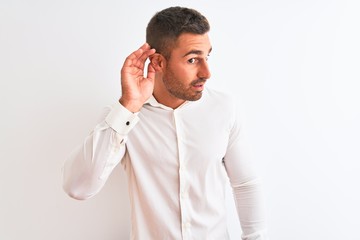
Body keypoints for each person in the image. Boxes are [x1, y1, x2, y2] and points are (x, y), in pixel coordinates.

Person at [63, 6, 269, 240]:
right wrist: (128, 106)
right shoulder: (121, 118)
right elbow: (78, 187)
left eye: (207, 57)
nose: (207, 72)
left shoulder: (225, 108)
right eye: (193, 59)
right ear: (159, 62)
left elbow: (245, 184)